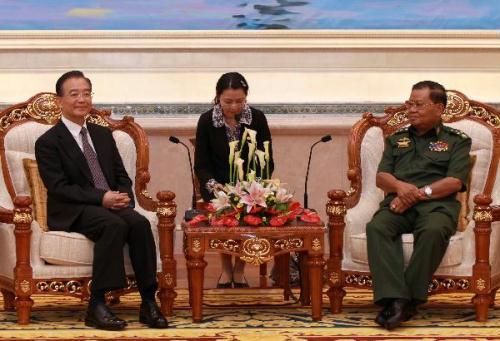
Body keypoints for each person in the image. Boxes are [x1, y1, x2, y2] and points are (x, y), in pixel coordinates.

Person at [35, 71, 168, 330]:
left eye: (86, 93)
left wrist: (122, 197)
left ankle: (148, 302)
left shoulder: (103, 134)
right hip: (72, 209)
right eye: (74, 94)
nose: (81, 99)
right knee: (113, 225)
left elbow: (121, 174)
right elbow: (59, 187)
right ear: (59, 100)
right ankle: (97, 304)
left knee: (139, 223)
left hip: (110, 203)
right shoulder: (48, 142)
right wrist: (101, 198)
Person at [366, 80, 471, 330]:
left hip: (438, 206)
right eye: (409, 103)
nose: (411, 109)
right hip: (398, 203)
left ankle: (406, 300)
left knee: (433, 231)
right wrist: (401, 189)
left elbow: (454, 182)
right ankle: (398, 298)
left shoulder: (457, 140)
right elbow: (382, 178)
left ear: (438, 107)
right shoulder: (396, 138)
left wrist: (416, 194)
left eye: (419, 104)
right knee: (377, 227)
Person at [194, 72, 274, 288]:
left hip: (250, 185)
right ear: (218, 97)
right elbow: (201, 164)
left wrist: (254, 185)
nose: (233, 107)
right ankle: (225, 268)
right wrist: (214, 186)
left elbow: (267, 159)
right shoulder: (207, 121)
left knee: (249, 214)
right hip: (218, 186)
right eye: (228, 101)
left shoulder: (257, 118)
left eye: (240, 101)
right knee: (224, 214)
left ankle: (239, 269)